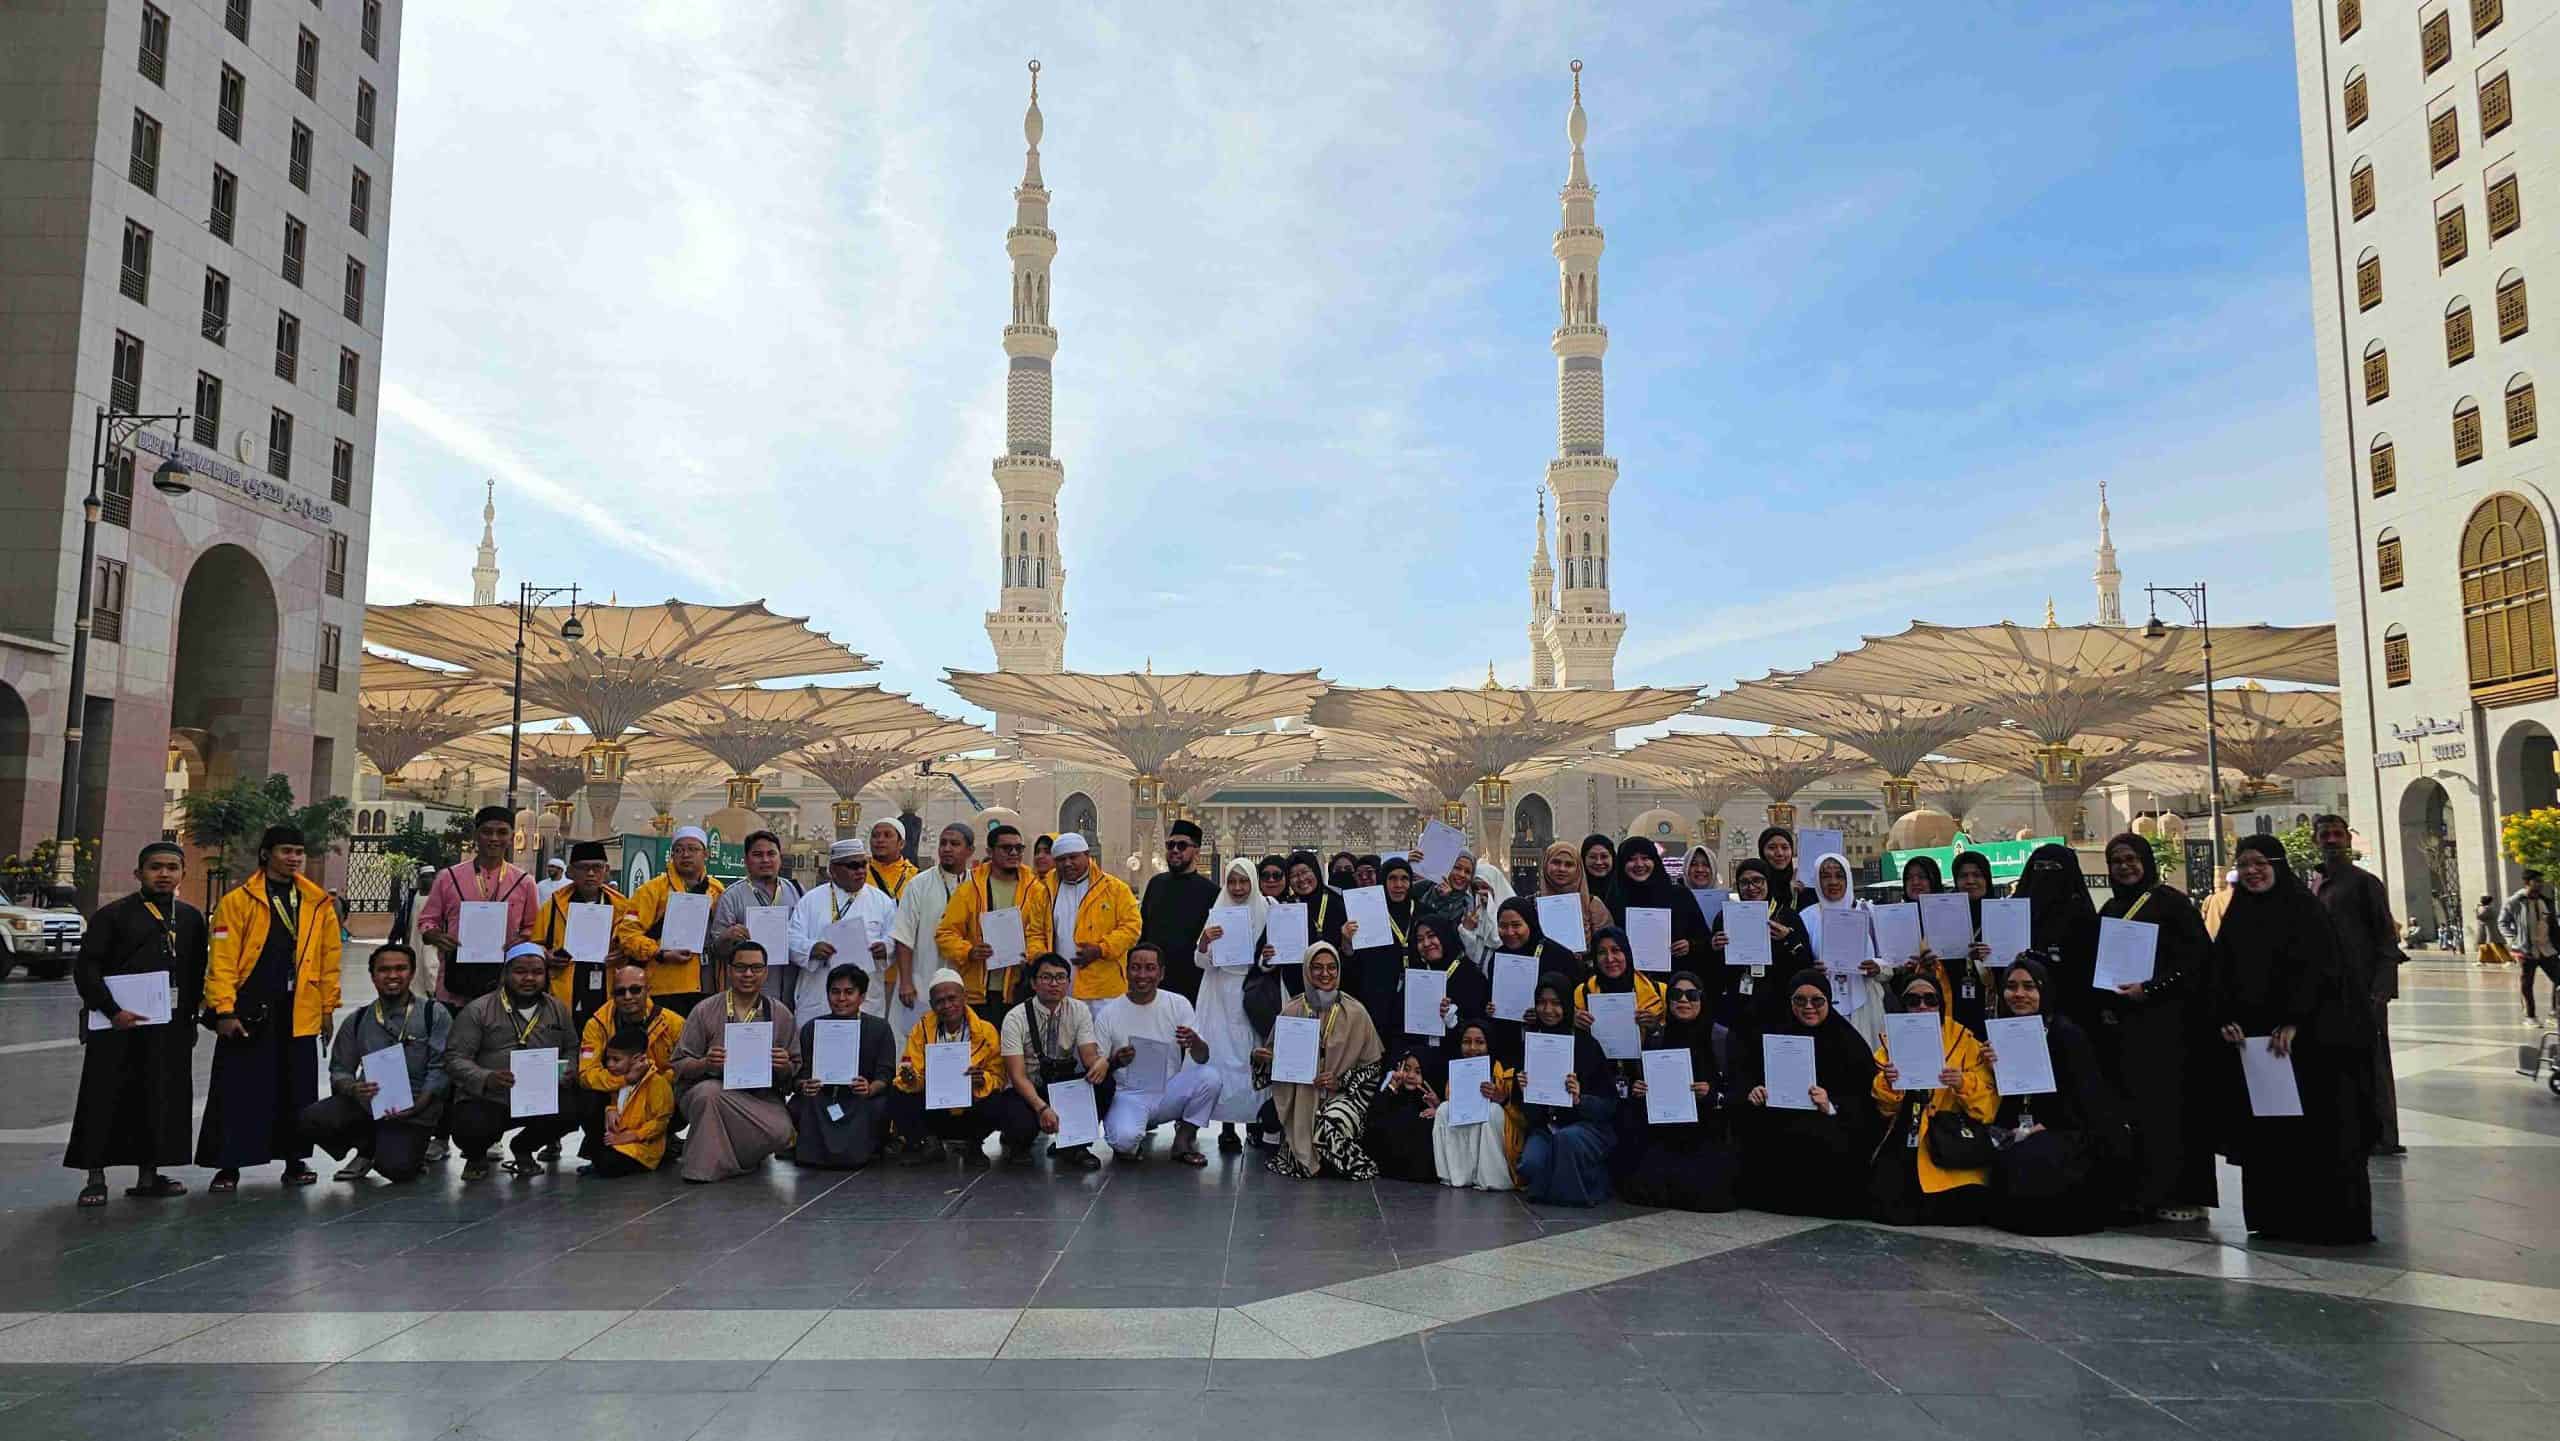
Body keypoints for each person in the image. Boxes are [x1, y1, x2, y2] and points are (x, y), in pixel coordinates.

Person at [2212, 834, 2377, 1244]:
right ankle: (2276, 1217)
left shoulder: (2306, 912)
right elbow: (2220, 975)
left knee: (2322, 1133)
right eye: (2244, 864)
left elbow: (2324, 973)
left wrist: (2295, 1020)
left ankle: (2326, 1221)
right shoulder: (2238, 917)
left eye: (2260, 862)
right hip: (2259, 1051)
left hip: (2314, 1048)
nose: (2252, 871)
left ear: (2278, 865)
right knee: (2271, 1137)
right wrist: (2225, 1018)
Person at [197, 824, 340, 1192]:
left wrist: (326, 1008)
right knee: (238, 1088)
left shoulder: (317, 902)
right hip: (250, 1007)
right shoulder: (238, 901)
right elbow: (223, 961)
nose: (293, 858)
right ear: (266, 854)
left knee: (296, 1088)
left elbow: (328, 958)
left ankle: (295, 1161)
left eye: (298, 852)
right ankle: (228, 1165)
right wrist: (224, 1010)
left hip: (299, 1007)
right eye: (285, 851)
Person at [67, 841, 206, 1206]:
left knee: (159, 1097)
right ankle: (95, 1177)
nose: (164, 874)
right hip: (117, 1026)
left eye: (172, 868)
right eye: (155, 867)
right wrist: (112, 1010)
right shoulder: (113, 915)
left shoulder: (191, 918)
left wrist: (191, 1017)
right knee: (105, 1098)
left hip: (168, 1026)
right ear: (138, 874)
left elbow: (195, 971)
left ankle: (149, 1174)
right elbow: (88, 969)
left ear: (182, 874)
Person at [2094, 832, 2219, 1222]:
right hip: (2129, 1032)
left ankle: (2184, 1194)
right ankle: (2146, 1192)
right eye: (2117, 861)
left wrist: (2151, 989)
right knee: (2139, 1113)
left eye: (2132, 859)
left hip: (2172, 1028)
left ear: (2146, 861)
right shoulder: (2112, 909)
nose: (2125, 867)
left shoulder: (2171, 904)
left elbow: (2197, 961)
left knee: (2174, 1112)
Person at [1981, 955, 2122, 1236]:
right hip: (2016, 1127)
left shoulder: (2066, 1035)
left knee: (2036, 1158)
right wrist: (1989, 1068)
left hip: (2066, 1130)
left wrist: (2049, 1124)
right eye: (2011, 986)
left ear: (2043, 991)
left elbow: (2087, 1099)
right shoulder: (2000, 1033)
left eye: (2029, 986)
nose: (2019, 994)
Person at [1732, 968, 1880, 1218]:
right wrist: (1754, 1091)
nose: (1808, 1007)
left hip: (1830, 1125)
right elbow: (1745, 1075)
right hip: (1781, 1119)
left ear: (1828, 1001)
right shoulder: (1774, 1035)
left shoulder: (1848, 1042)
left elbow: (1866, 1099)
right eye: (1799, 1000)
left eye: (1817, 1000)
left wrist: (1831, 1104)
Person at [301, 943, 449, 1183]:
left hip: (416, 1109)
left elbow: (441, 1066)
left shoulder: (434, 1014)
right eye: (384, 970)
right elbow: (340, 1070)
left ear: (412, 973)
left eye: (400, 968)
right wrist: (353, 1089)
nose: (392, 975)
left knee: (397, 1170)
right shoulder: (358, 1020)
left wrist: (421, 1102)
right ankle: (366, 1149)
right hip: (368, 1105)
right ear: (372, 976)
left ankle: (403, 1151)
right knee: (312, 1118)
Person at [2304, 816, 2404, 1158]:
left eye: (2337, 834)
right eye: (2325, 835)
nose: (2331, 840)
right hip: (2331, 991)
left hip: (2365, 989)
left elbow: (2386, 938)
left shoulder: (2365, 883)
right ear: (2315, 839)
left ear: (2348, 839)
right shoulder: (2316, 882)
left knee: (2374, 1061)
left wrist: (2382, 989)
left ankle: (2384, 1135)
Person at [1867, 968, 1996, 1225]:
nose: (1922, 1006)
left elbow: (1988, 1107)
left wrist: (1962, 1083)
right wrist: (1890, 1084)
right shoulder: (1889, 1044)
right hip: (1906, 1133)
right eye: (1913, 1001)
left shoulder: (1967, 1042)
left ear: (1941, 1004)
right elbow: (1883, 1108)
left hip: (1951, 1138)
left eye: (1930, 1000)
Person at [443, 944, 581, 1181]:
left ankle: (523, 1147)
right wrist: (486, 1078)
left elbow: (572, 1047)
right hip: (491, 1097)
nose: (529, 978)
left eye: (537, 972)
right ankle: (476, 1155)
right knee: (469, 1126)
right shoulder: (478, 1010)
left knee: (577, 1108)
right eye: (520, 972)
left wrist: (569, 1068)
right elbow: (454, 1059)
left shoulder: (557, 1008)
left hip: (540, 1098)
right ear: (505, 974)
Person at [669, 939, 799, 1182]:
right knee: (709, 1093)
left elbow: (793, 1073)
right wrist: (705, 1064)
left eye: (756, 968)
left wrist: (785, 1066)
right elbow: (678, 1065)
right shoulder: (705, 1010)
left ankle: (730, 1160)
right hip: (711, 1091)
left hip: (758, 1098)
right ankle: (704, 1168)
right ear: (728, 970)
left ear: (766, 972)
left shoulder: (780, 1014)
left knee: (782, 1133)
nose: (748, 974)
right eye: (740, 967)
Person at [1252, 942, 1385, 1179]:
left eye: (1332, 967)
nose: (1325, 974)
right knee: (1296, 1144)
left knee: (1329, 1126)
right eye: (1317, 967)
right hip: (1301, 1097)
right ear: (1306, 970)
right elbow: (1272, 1067)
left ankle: (1360, 1165)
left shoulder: (1356, 1012)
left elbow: (1373, 1067)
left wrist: (1340, 1081)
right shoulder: (1292, 1010)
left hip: (1343, 1096)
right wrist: (1262, 1059)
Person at [1619, 970, 1738, 1212]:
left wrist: (1712, 1093)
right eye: (1676, 994)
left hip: (1707, 1128)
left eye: (1692, 995)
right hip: (1667, 1130)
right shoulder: (1658, 1038)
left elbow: (1737, 1088)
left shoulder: (1720, 1038)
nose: (1684, 1000)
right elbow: (1645, 1082)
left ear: (1702, 999)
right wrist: (1641, 1089)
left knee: (1707, 1191)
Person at [1095, 942, 1217, 1164]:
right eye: (1135, 967)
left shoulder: (1177, 1004)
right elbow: (1098, 1068)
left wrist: (1195, 1041)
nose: (1142, 975)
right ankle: (1134, 1131)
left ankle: (1184, 1139)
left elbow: (1203, 1057)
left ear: (1161, 973)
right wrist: (1115, 1062)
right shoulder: (1108, 1013)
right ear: (1126, 970)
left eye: (1150, 968)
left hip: (1167, 1090)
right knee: (1124, 1142)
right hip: (1127, 1095)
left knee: (1210, 1078)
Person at [416, 805, 538, 1011]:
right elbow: (427, 920)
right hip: (455, 979)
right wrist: (435, 935)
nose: (494, 838)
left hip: (504, 979)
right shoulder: (448, 877)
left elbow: (534, 927)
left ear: (511, 837)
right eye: (487, 831)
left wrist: (523, 939)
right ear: (476, 835)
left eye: (502, 832)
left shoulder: (525, 882)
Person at [1194, 857, 1278, 1152]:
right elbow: (1201, 960)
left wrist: (1268, 958)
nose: (1238, 888)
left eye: (1244, 882)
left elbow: (1273, 962)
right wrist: (1205, 941)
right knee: (1221, 1059)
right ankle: (1227, 1127)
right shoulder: (1219, 911)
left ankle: (1255, 1122)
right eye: (1233, 881)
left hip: (1252, 995)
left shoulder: (1268, 910)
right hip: (1219, 993)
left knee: (1250, 1058)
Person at [998, 952, 1111, 1169]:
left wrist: (1101, 1062)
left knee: (1104, 1081)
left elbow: (1089, 1058)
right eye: (1046, 977)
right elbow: (1016, 1075)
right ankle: (1019, 1144)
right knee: (1020, 1125)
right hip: (1027, 1087)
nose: (1054, 984)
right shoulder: (1015, 1017)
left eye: (1060, 978)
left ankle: (1073, 1145)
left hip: (1061, 1085)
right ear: (1033, 983)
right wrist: (1041, 1109)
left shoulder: (1078, 1010)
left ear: (1068, 983)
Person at [1516, 973, 1619, 1205]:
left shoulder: (1586, 1045)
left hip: (1586, 1128)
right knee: (1530, 1163)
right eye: (1542, 1002)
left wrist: (1580, 1099)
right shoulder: (1532, 1044)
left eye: (1556, 1003)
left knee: (1567, 1140)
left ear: (1567, 1005)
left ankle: (1581, 1189)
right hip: (1547, 1128)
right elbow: (1530, 1115)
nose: (1548, 1010)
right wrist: (1524, 1090)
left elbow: (1609, 1105)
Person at [891, 969, 1006, 1167]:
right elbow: (910, 1071)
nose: (947, 1006)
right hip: (934, 1110)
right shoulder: (921, 1029)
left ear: (965, 997)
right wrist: (912, 1078)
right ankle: (928, 1142)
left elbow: (999, 1078)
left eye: (952, 998)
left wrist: (983, 1080)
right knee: (896, 1093)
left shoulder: (986, 1030)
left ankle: (974, 1145)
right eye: (939, 1001)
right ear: (932, 1005)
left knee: (997, 1101)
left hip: (971, 1109)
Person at [789, 962, 899, 1169]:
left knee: (880, 1105)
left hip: (860, 1097)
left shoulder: (879, 1028)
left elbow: (886, 1075)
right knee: (800, 1104)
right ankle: (813, 1153)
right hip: (822, 1096)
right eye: (835, 992)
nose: (841, 999)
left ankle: (864, 1149)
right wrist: (804, 1085)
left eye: (849, 992)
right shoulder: (812, 1028)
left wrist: (869, 1088)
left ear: (862, 996)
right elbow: (799, 1074)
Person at [575, 962, 683, 1164]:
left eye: (635, 990)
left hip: (658, 1098)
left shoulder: (672, 1022)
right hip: (614, 1099)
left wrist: (648, 1081)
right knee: (584, 1096)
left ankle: (662, 1137)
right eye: (620, 991)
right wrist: (624, 1081)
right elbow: (586, 1075)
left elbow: (683, 1067)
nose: (628, 996)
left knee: (689, 1090)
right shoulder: (596, 1024)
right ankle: (606, 1142)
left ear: (648, 990)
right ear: (611, 994)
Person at [789, 839, 898, 1038]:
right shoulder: (811, 900)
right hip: (820, 990)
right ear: (833, 869)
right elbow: (791, 939)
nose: (860, 870)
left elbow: (894, 937)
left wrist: (885, 948)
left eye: (864, 864)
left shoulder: (882, 901)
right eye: (852, 865)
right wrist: (812, 948)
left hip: (865, 994)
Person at [615, 826, 726, 1016]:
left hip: (707, 988)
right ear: (672, 854)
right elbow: (627, 935)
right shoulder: (652, 890)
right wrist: (660, 953)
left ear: (705, 854)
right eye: (679, 850)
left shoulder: (717, 890)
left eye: (692, 849)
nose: (685, 855)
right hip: (663, 988)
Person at [1024, 832, 1143, 1006]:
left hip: (1103, 990)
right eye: (1061, 859)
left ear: (1087, 856)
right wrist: (1041, 958)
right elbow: (1035, 933)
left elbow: (1131, 928)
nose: (1067, 864)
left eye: (1073, 857)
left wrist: (1101, 950)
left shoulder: (1115, 889)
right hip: (1057, 988)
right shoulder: (1044, 892)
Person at [936, 823, 1033, 1023]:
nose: (1013, 852)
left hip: (1019, 987)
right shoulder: (969, 889)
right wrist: (969, 951)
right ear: (990, 851)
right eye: (1006, 848)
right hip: (978, 991)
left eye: (1018, 848)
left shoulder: (1036, 890)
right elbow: (945, 933)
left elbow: (1041, 933)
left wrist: (1032, 955)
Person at [892, 822, 977, 1040]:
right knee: (915, 1040)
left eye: (955, 844)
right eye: (943, 843)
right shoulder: (918, 884)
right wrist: (906, 982)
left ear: (970, 851)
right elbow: (904, 937)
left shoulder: (977, 885)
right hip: (921, 979)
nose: (947, 848)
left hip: (965, 981)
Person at [1712, 858, 1815, 1037]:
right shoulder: (1725, 918)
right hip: (1740, 1007)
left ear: (1768, 882)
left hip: (1780, 1008)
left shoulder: (1787, 916)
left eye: (1757, 880)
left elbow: (1805, 961)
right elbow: (1716, 970)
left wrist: (1788, 938)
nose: (1751, 887)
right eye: (1744, 882)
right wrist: (1714, 947)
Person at [1900, 854, 1989, 1040]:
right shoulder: (1936, 914)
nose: (1970, 881)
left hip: (1981, 1002)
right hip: (1939, 1001)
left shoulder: (1997, 914)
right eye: (1963, 876)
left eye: (1977, 875)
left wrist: (1984, 960)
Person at [710, 830, 804, 1006]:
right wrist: (727, 937)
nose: (765, 860)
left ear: (780, 858)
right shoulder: (732, 896)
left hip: (790, 994)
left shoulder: (796, 891)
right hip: (747, 997)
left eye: (771, 854)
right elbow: (717, 949)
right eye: (758, 855)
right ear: (746, 860)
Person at [532, 839, 625, 1013]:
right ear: (571, 871)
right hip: (565, 982)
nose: (590, 873)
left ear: (606, 870)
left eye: (597, 867)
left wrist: (624, 953)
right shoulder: (554, 905)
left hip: (607, 980)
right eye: (583, 868)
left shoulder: (622, 906)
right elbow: (535, 943)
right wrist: (546, 956)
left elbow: (632, 942)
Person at [1801, 851, 1886, 1042]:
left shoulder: (1867, 912)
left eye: (1839, 875)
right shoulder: (1807, 917)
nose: (1833, 882)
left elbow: (1890, 960)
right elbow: (1800, 963)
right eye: (1825, 876)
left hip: (1864, 1002)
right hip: (1820, 1005)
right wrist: (1812, 971)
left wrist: (1877, 966)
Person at [1431, 1019, 1521, 1190]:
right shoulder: (1456, 1071)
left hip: (1504, 1133)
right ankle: (1457, 1176)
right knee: (1444, 1109)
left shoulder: (1507, 1072)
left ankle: (1492, 1179)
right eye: (1467, 1042)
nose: (1472, 1048)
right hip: (1469, 1126)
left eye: (1479, 1042)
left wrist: (1502, 1099)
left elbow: (1523, 1119)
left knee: (1492, 1110)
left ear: (1489, 1045)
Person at [1140, 820, 1220, 1002]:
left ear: (1197, 852)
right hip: (1155, 983)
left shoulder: (1211, 892)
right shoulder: (1156, 884)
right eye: (1171, 845)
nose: (1175, 850)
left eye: (1182, 845)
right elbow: (1144, 932)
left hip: (1192, 984)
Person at [585, 1027, 675, 1177]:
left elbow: (660, 1122)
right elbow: (613, 1099)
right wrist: (610, 1109)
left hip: (641, 1146)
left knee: (607, 1163)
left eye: (616, 1060)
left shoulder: (657, 1083)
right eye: (608, 1059)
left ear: (636, 1059)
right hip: (618, 1139)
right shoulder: (617, 1077)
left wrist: (633, 1136)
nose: (610, 1065)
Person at [1342, 855, 1418, 1026]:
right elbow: (1355, 964)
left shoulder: (1422, 911)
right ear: (1383, 881)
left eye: (1404, 878)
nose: (1399, 885)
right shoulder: (1368, 912)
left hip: (1415, 995)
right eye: (1392, 878)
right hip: (1378, 999)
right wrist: (1347, 942)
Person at [1362, 1044, 1443, 1183]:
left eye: (1418, 1072)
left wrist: (1438, 1108)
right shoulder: (1393, 1093)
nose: (1411, 1076)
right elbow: (1373, 1119)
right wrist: (1391, 1088)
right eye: (1406, 1069)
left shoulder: (1431, 1098)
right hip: (1390, 1170)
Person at [1537, 840, 1610, 957]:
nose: (1562, 869)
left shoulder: (1592, 904)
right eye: (1556, 862)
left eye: (1569, 864)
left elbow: (1607, 945)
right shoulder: (1532, 904)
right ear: (1546, 864)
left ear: (1578, 869)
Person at [1758, 826, 1819, 918]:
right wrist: (1787, 892)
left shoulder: (1802, 883)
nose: (1779, 853)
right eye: (1772, 847)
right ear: (1762, 852)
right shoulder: (1757, 885)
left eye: (1785, 847)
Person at [867, 816, 918, 899]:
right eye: (875, 835)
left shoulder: (915, 877)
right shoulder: (858, 873)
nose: (880, 840)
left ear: (901, 844)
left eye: (887, 835)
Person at [1579, 834, 1618, 910]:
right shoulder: (1575, 890)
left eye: (1604, 856)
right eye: (1592, 857)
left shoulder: (1623, 889)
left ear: (1613, 858)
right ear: (1583, 859)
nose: (1599, 862)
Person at [2479, 893, 2515, 965]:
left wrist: (2477, 910)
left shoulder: (2487, 909)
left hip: (2490, 930)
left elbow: (2480, 916)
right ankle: (2481, 961)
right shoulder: (2490, 908)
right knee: (2483, 946)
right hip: (2487, 929)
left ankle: (2507, 960)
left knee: (2496, 945)